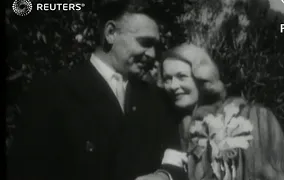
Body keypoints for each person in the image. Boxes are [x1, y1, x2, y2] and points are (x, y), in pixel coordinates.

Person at [7, 1, 187, 180]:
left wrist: (165, 176)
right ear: (110, 33)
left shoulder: (157, 99)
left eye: (155, 46)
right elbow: (26, 170)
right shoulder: (52, 92)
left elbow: (176, 156)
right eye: (145, 42)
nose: (152, 54)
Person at [138, 43, 284, 180]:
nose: (172, 86)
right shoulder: (174, 127)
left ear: (202, 78)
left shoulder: (251, 117)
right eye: (167, 79)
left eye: (181, 76)